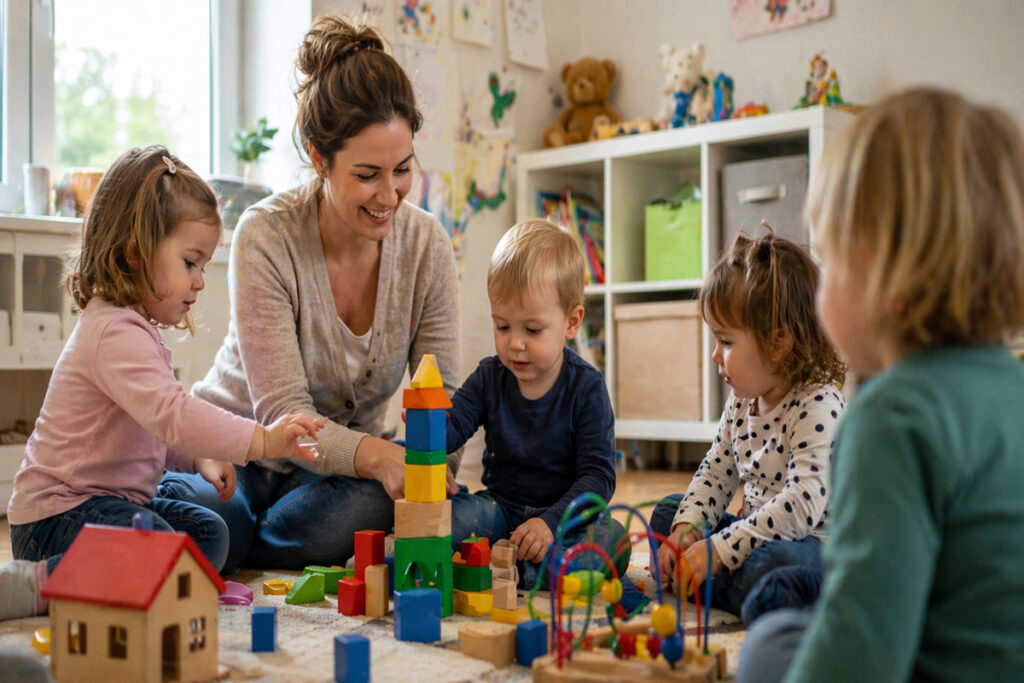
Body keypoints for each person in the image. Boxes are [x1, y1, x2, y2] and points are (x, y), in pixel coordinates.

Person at [736, 88, 1024, 682]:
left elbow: (861, 650)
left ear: (888, 277)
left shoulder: (892, 417)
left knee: (766, 649)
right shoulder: (1010, 387)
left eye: (829, 262)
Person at [158, 15, 461, 573]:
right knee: (209, 515)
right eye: (367, 174)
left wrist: (426, 478)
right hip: (242, 453)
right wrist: (378, 457)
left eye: (402, 169)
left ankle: (244, 545)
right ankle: (237, 533)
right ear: (319, 158)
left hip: (341, 475)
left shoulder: (428, 248)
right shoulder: (265, 234)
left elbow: (444, 394)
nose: (389, 194)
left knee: (369, 506)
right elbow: (285, 415)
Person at [0, 146, 323, 621]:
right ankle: (41, 583)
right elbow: (173, 416)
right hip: (55, 519)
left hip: (108, 507)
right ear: (135, 252)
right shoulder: (113, 332)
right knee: (155, 541)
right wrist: (263, 439)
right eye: (191, 262)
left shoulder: (135, 331)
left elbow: (148, 433)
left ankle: (138, 576)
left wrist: (196, 458)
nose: (199, 282)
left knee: (210, 536)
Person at [650, 231, 847, 620]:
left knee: (780, 564)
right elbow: (717, 469)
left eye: (725, 342)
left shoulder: (818, 402)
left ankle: (727, 587)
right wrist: (688, 528)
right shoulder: (742, 398)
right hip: (749, 537)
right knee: (665, 516)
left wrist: (722, 549)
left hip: (810, 546)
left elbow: (802, 505)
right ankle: (732, 590)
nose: (714, 356)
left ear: (778, 343)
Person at [446, 218, 625, 588]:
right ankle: (482, 560)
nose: (515, 343)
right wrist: (422, 435)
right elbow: (453, 425)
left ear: (572, 322)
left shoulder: (587, 388)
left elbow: (597, 479)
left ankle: (522, 572)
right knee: (447, 519)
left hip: (563, 520)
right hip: (499, 509)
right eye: (502, 326)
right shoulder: (489, 376)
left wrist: (550, 524)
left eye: (531, 330)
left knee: (614, 541)